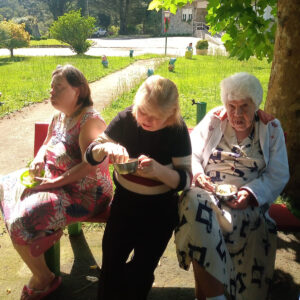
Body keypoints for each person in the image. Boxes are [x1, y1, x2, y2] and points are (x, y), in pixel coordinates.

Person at [0, 64, 113, 300]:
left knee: (22, 219)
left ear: (78, 91)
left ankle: (44, 278)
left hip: (85, 194)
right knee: (4, 185)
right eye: (51, 87)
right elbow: (46, 144)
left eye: (59, 87)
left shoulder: (90, 122)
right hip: (57, 183)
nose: (52, 91)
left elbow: (88, 167)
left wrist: (49, 185)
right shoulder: (59, 116)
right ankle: (38, 241)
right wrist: (38, 160)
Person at [175, 72, 289, 300]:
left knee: (247, 227)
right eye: (231, 105)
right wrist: (198, 175)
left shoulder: (271, 128)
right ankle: (216, 296)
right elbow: (191, 154)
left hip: (246, 203)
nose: (237, 113)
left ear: (256, 104)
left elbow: (278, 173)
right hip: (208, 197)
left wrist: (249, 192)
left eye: (244, 107)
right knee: (194, 203)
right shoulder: (214, 120)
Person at [84, 75, 192, 300]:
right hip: (125, 205)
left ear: (170, 115)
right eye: (142, 111)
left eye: (155, 117)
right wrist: (106, 149)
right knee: (111, 267)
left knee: (141, 271)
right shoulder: (126, 118)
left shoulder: (177, 131)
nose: (145, 119)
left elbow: (185, 180)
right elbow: (90, 155)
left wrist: (159, 171)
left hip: (160, 212)